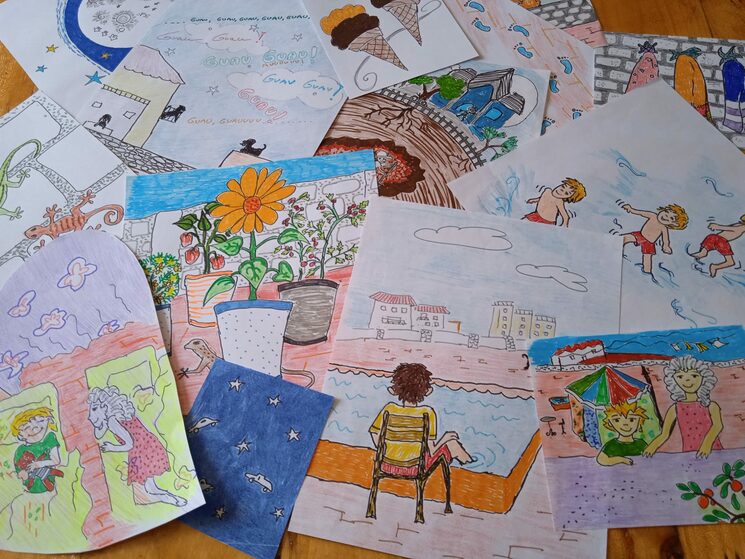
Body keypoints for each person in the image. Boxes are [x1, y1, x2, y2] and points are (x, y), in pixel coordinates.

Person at [369, 363, 474, 476]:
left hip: (387, 465)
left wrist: (385, 450)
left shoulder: (389, 409)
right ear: (427, 391)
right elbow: (432, 450)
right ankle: (471, 467)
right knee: (452, 444)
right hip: (415, 468)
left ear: (394, 389)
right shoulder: (427, 413)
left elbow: (374, 433)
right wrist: (445, 438)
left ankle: (470, 465)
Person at [88, 386, 186, 506]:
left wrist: (111, 447)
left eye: (94, 408)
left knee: (144, 494)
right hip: (151, 447)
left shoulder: (112, 421)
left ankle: (169, 499)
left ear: (104, 406)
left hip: (141, 454)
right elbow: (98, 434)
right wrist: (99, 420)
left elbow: (129, 444)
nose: (90, 414)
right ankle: (173, 498)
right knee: (151, 488)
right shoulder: (118, 416)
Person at [643, 356, 723, 459]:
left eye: (694, 375)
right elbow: (665, 434)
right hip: (689, 452)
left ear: (704, 378)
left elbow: (717, 426)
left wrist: (706, 445)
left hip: (713, 451)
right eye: (680, 376)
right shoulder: (675, 408)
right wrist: (652, 446)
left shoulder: (711, 406)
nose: (687, 380)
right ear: (673, 380)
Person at [621, 203, 688, 274]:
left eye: (671, 218)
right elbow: (640, 213)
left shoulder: (663, 228)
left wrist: (666, 246)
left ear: (674, 224)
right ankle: (616, 246)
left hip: (649, 243)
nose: (666, 216)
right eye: (666, 212)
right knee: (625, 238)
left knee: (647, 259)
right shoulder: (653, 216)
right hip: (640, 235)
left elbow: (666, 240)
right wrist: (631, 209)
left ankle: (647, 272)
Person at [12, 407, 64, 493]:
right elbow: (18, 469)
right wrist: (22, 474)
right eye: (26, 427)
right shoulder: (20, 450)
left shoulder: (49, 439)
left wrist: (38, 464)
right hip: (30, 488)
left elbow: (56, 460)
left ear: (48, 421)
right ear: (20, 435)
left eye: (40, 421)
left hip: (49, 483)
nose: (34, 428)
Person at [596, 401, 648, 466]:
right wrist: (622, 460)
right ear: (610, 423)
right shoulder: (611, 445)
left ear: (639, 421)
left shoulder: (641, 444)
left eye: (631, 419)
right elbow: (601, 459)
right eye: (617, 420)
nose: (625, 424)